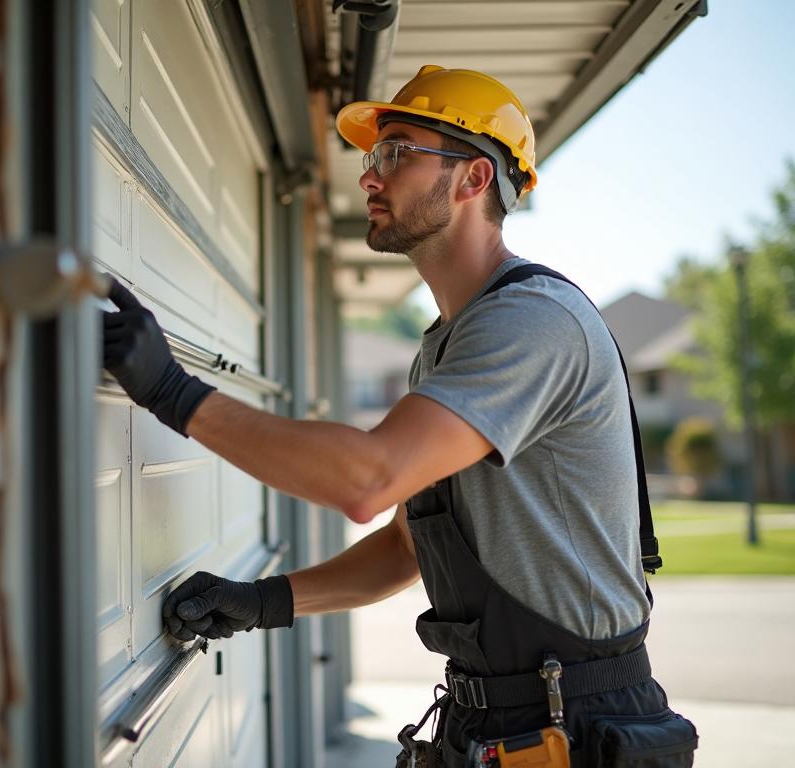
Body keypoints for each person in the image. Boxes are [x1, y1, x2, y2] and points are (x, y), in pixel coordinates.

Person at [101, 66, 696, 765]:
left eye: (396, 153)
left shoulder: (531, 323)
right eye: (371, 157)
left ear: (475, 179)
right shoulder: (446, 348)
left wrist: (174, 394)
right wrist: (262, 601)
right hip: (497, 725)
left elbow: (368, 480)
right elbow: (407, 547)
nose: (369, 178)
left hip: (581, 726)